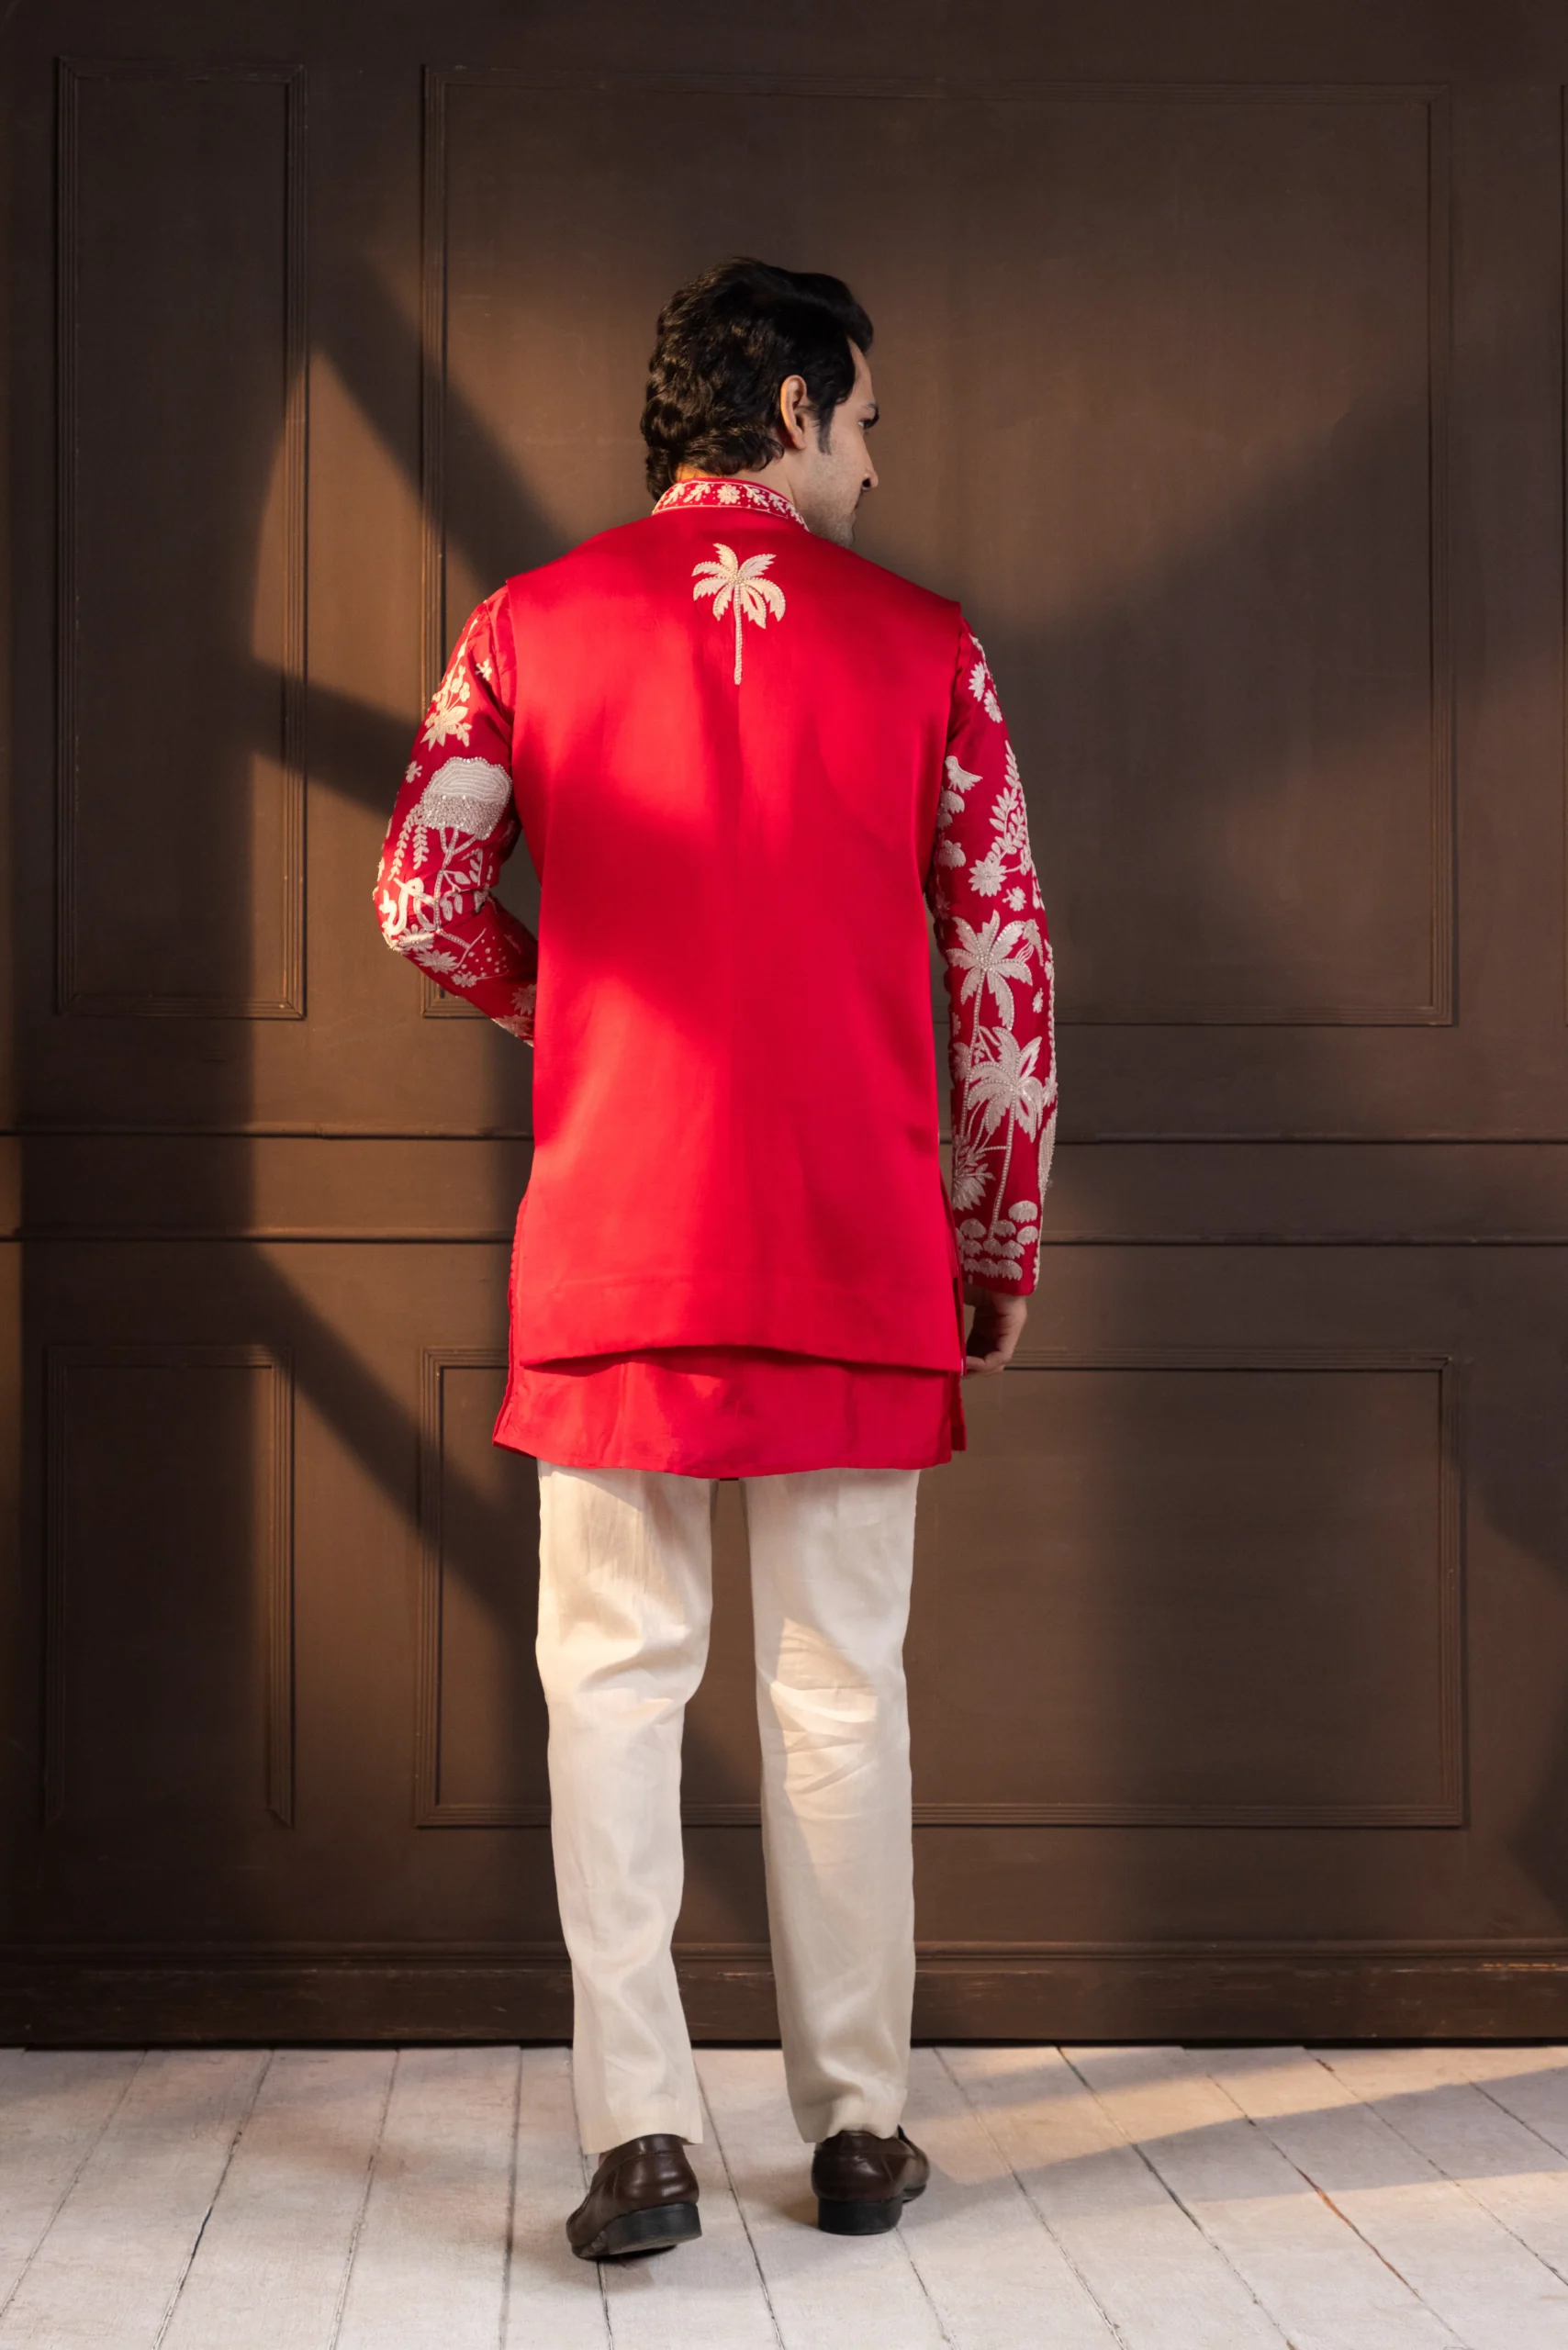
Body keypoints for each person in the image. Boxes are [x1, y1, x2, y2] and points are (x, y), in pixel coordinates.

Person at [375, 257, 1055, 2262]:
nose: (874, 464)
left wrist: (567, 1004)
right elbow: (1002, 969)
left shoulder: (523, 625)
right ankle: (858, 2130)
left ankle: (643, 2141)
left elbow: (422, 894)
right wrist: (997, 1227)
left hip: (619, 1234)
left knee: (610, 1686)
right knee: (839, 1689)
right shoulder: (927, 648)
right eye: (865, 424)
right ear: (794, 410)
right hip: (855, 1238)